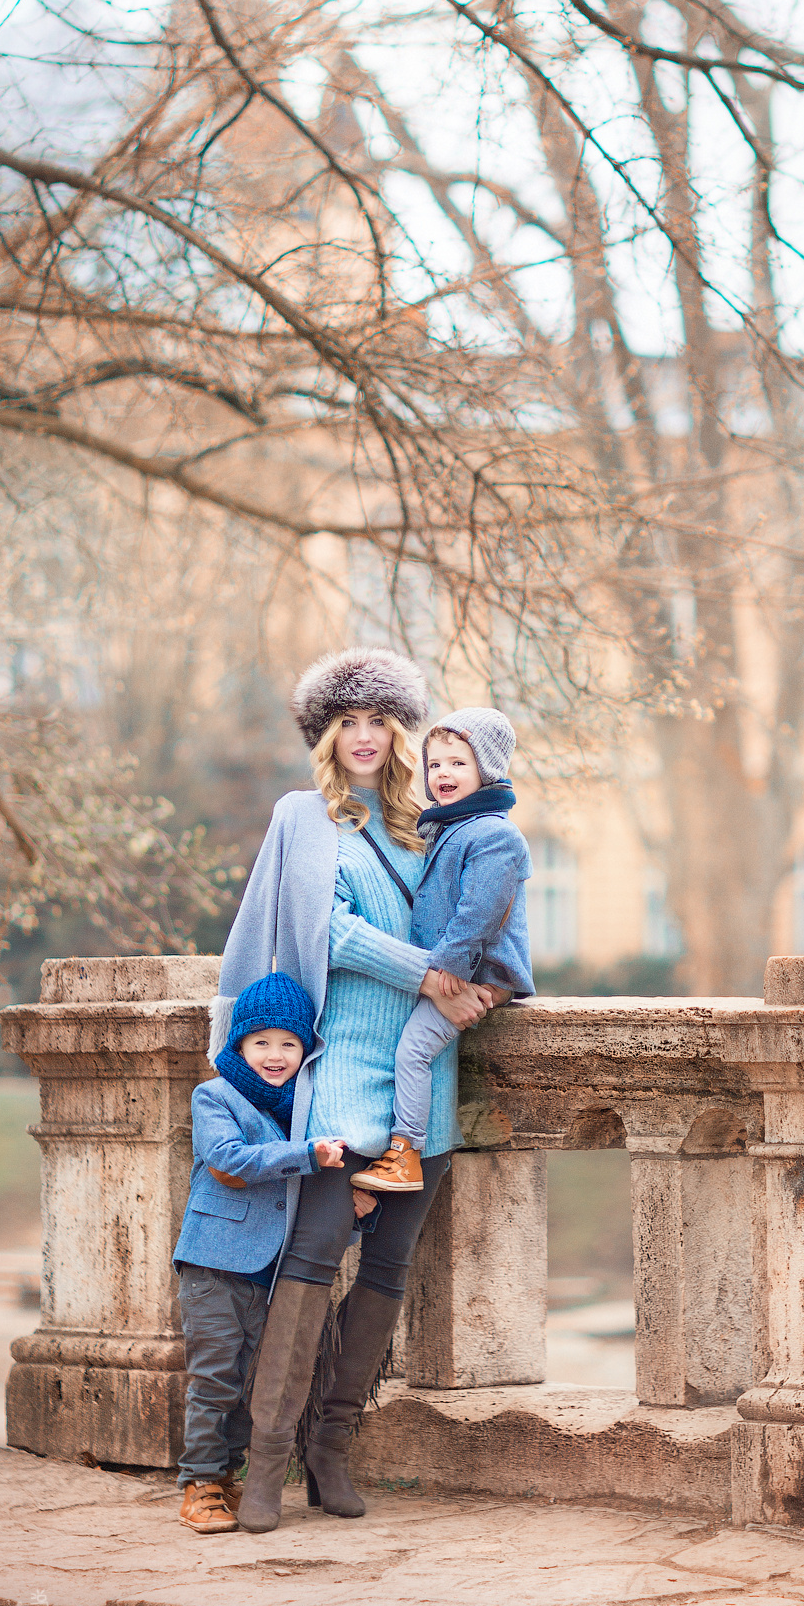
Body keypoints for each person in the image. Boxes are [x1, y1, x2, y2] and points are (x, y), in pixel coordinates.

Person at [209, 645, 489, 1534]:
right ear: (326, 734)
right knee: (310, 1265)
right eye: (349, 722)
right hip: (340, 1075)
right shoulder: (305, 819)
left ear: (398, 733)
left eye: (380, 722)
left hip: (424, 1082)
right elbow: (328, 933)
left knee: (389, 1272)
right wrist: (435, 976)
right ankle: (265, 1464)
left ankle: (332, 1447)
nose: (365, 737)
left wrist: (483, 982)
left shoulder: (429, 825)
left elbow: (478, 918)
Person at [171, 971, 349, 1532]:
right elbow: (229, 1162)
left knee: (250, 1380)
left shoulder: (304, 1109)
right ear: (240, 1044)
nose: (275, 1055)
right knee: (215, 1376)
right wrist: (305, 1155)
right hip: (213, 1265)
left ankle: (227, 1474)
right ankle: (199, 1483)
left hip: (267, 1271)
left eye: (289, 1043)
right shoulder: (215, 1096)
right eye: (262, 1042)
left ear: (306, 1049)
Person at [358, 709, 534, 1196]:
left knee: (413, 1051)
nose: (443, 775)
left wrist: (444, 973)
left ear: (488, 769)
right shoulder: (453, 827)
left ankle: (405, 1153)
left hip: (478, 975)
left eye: (458, 763)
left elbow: (479, 913)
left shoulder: (494, 833)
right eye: (435, 765)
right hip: (460, 969)